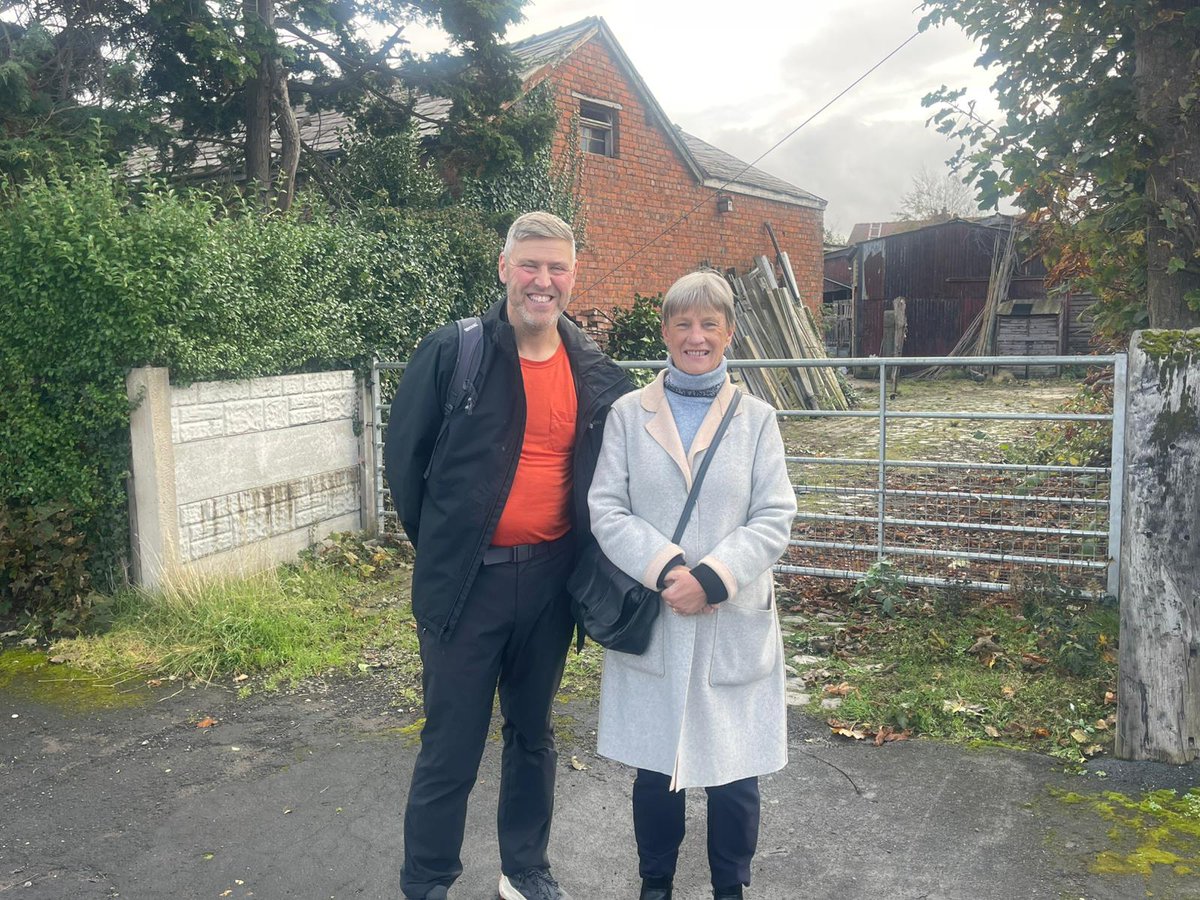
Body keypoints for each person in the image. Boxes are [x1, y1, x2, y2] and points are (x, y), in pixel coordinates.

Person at [384, 211, 633, 900]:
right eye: (530, 265)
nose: (542, 281)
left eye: (556, 269)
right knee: (450, 746)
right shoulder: (453, 351)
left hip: (550, 587)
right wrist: (452, 549)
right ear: (504, 269)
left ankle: (525, 870)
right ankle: (427, 883)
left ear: (573, 278)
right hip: (467, 587)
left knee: (534, 735)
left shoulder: (592, 371)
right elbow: (405, 470)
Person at [587, 270, 797, 900]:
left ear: (729, 333)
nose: (696, 336)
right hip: (659, 615)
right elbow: (607, 509)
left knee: (735, 776)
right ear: (665, 332)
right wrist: (668, 570)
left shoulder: (757, 419)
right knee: (657, 771)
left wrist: (713, 578)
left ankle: (730, 889)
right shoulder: (628, 415)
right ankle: (656, 886)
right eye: (683, 323)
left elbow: (775, 515)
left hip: (730, 616)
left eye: (709, 324)